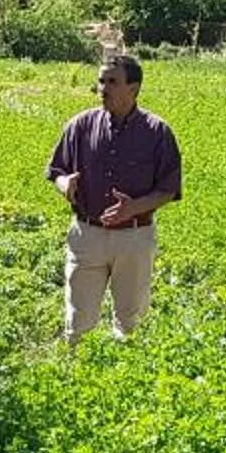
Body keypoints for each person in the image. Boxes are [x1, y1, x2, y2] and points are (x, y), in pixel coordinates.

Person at [45, 53, 182, 343]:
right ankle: (76, 376)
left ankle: (123, 380)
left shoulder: (157, 132)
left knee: (131, 323)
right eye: (100, 81)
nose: (103, 88)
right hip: (87, 233)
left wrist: (134, 208)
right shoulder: (80, 126)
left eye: (112, 82)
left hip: (134, 238)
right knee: (78, 321)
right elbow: (56, 170)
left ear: (133, 89)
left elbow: (168, 188)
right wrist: (64, 183)